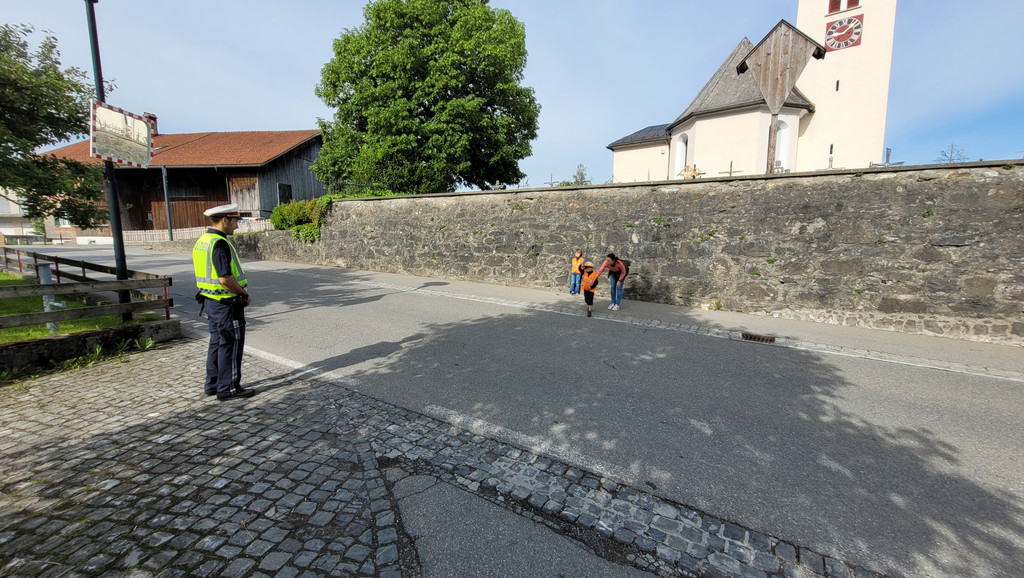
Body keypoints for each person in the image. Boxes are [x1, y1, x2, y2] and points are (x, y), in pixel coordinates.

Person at [193, 203, 255, 401]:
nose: (237, 226)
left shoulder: (203, 240)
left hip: (211, 302)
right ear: (224, 220)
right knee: (231, 344)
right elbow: (224, 278)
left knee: (217, 342)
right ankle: (228, 388)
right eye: (235, 221)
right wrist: (243, 294)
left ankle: (212, 384)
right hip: (227, 304)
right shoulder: (219, 244)